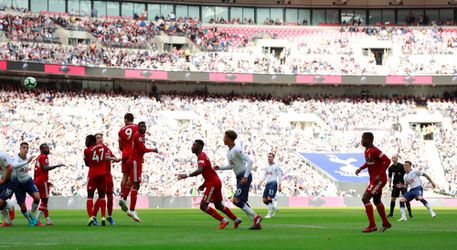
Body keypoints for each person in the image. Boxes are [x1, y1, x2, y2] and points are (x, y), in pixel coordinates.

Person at [177, 140, 241, 229]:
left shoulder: (201, 156)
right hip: (214, 181)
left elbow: (201, 170)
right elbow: (208, 172)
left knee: (203, 206)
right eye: (192, 145)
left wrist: (187, 175)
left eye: (194, 145)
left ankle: (223, 220)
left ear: (200, 147)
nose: (192, 147)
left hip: (213, 183)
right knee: (218, 205)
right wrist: (203, 185)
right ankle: (236, 219)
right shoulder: (202, 155)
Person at [214, 130, 262, 230]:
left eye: (225, 137)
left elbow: (250, 160)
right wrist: (220, 168)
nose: (223, 139)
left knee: (236, 200)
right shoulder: (229, 152)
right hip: (239, 177)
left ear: (229, 139)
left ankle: (256, 217)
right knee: (242, 201)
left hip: (244, 176)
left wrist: (245, 176)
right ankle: (256, 223)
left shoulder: (237, 149)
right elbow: (232, 166)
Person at [119, 122, 157, 222]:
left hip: (134, 160)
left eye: (145, 126)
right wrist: (153, 150)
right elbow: (142, 149)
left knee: (131, 181)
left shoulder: (140, 135)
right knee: (136, 185)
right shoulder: (139, 136)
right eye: (141, 126)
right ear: (138, 127)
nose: (143, 128)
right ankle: (131, 210)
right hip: (135, 161)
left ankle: (123, 198)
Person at [355, 132, 392, 233]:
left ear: (368, 140)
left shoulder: (376, 151)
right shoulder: (367, 151)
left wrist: (380, 175)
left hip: (379, 180)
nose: (361, 141)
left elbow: (388, 161)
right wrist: (360, 168)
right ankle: (385, 223)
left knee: (365, 198)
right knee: (377, 201)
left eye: (363, 139)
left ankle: (372, 225)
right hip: (373, 179)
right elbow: (369, 162)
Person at [84, 135, 119, 226]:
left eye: (101, 138)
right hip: (102, 173)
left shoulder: (105, 148)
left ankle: (109, 216)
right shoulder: (101, 148)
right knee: (101, 196)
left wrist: (114, 158)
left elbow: (110, 156)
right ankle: (95, 216)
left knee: (109, 195)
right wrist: (112, 158)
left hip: (107, 174)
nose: (100, 139)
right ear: (95, 140)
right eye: (98, 138)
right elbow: (106, 157)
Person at [34, 143, 65, 226]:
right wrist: (57, 166)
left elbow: (39, 170)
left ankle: (47, 219)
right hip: (42, 180)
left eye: (48, 148)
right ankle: (36, 220)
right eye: (46, 148)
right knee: (45, 200)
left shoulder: (38, 157)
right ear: (42, 149)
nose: (48, 149)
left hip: (38, 180)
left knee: (44, 200)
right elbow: (44, 168)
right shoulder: (44, 157)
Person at [12, 142, 39, 226]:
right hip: (18, 184)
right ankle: (29, 219)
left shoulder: (28, 157)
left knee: (37, 197)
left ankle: (31, 214)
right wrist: (27, 161)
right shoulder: (16, 158)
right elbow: (15, 165)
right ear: (20, 149)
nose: (25, 149)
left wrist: (28, 161)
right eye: (23, 147)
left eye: (27, 148)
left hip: (28, 181)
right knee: (22, 206)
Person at [118, 113, 138, 208]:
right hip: (134, 155)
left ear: (126, 120)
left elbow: (120, 146)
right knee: (132, 177)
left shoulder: (121, 130)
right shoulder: (137, 128)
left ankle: (122, 195)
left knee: (124, 176)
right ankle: (125, 197)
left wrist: (125, 150)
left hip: (125, 155)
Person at [260, 152, 282, 218]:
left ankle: (269, 214)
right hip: (268, 183)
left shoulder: (276, 166)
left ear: (273, 158)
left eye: (270, 157)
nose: (269, 158)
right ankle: (275, 208)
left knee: (269, 198)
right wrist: (260, 181)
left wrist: (280, 186)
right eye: (268, 157)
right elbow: (264, 175)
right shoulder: (266, 166)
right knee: (264, 200)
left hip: (273, 183)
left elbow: (279, 176)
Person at [0, 151, 16, 227]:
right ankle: (7, 222)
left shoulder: (2, 155)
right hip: (3, 178)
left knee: (0, 201)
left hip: (10, 180)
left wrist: (4, 180)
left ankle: (10, 206)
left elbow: (10, 168)